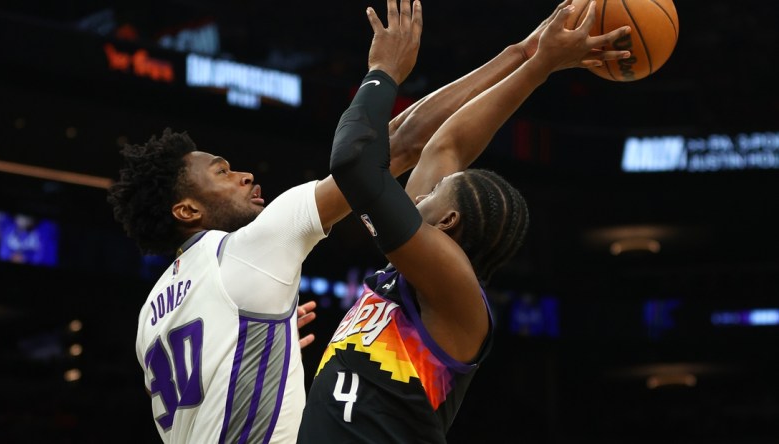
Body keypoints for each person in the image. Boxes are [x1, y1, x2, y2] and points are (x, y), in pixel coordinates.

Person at [107, 1, 622, 442]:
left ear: (447, 221)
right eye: (222, 172)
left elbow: (433, 146)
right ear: (187, 210)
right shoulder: (251, 250)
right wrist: (385, 72)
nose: (244, 175)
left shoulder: (152, 314)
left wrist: (529, 54)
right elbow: (400, 145)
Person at [297, 0, 631, 442]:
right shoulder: (425, 266)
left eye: (433, 193)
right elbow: (446, 145)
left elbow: (355, 161)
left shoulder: (456, 289)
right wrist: (529, 57)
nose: (420, 191)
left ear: (448, 221)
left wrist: (382, 70)